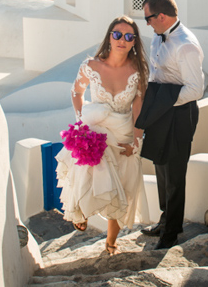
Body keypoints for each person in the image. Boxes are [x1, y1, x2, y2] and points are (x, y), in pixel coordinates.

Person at [56, 16, 148, 255]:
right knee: (87, 172)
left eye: (128, 36)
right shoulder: (91, 66)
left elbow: (138, 108)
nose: (121, 40)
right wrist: (80, 123)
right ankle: (80, 211)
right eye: (117, 34)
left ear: (133, 42)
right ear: (109, 36)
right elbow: (76, 92)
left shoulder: (138, 71)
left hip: (124, 133)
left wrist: (136, 141)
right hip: (96, 129)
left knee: (121, 188)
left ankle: (111, 241)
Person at [137, 0, 204, 251]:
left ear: (161, 16)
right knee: (160, 165)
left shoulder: (185, 44)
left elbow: (195, 90)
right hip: (162, 109)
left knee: (175, 173)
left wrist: (163, 102)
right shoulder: (158, 36)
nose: (147, 24)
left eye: (148, 18)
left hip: (179, 112)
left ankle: (172, 232)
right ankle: (164, 220)